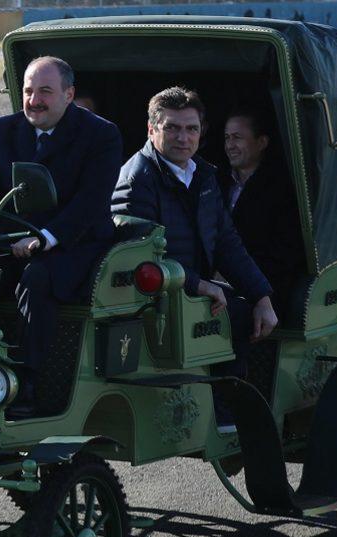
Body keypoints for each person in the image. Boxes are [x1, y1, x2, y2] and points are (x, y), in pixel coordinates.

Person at [0, 56, 123, 414]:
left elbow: (91, 202)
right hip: (11, 239)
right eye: (27, 91)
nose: (34, 100)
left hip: (74, 242)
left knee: (37, 280)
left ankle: (25, 384)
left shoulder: (101, 135)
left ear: (69, 95)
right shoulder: (4, 130)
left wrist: (47, 238)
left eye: (45, 92)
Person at [110, 86, 277, 353]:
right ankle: (225, 391)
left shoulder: (203, 176)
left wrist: (262, 296)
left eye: (192, 129)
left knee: (253, 314)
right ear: (151, 129)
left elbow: (225, 241)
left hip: (188, 290)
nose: (183, 138)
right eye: (172, 128)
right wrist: (200, 284)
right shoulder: (136, 181)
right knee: (238, 318)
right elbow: (139, 256)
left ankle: (228, 389)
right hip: (153, 298)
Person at [220, 107, 305, 321]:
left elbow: (283, 254)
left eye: (238, 138)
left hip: (263, 287)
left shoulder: (281, 190)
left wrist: (237, 277)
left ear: (261, 143)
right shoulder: (215, 182)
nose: (230, 145)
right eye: (227, 138)